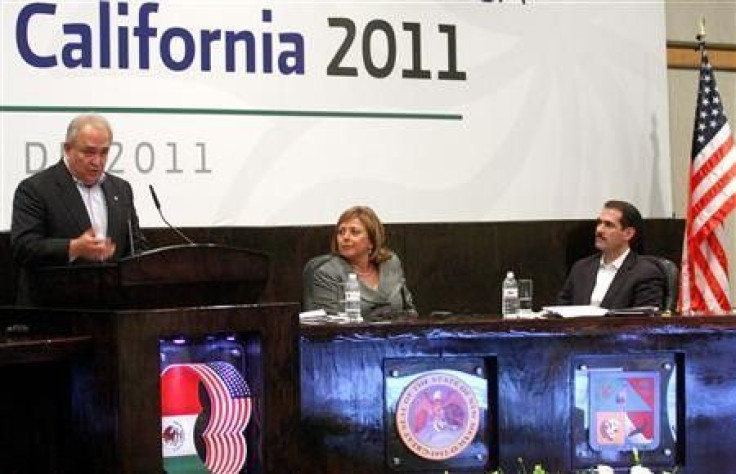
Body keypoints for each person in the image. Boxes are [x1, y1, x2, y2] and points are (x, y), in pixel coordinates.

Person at [11, 113, 147, 304]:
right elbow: (23, 247)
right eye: (89, 152)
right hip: (54, 312)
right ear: (67, 149)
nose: (97, 161)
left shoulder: (121, 189)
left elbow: (135, 245)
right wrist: (73, 248)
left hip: (112, 310)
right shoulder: (35, 189)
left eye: (104, 152)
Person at [303, 205, 416, 318]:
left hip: (396, 334)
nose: (345, 237)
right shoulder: (327, 273)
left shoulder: (390, 263)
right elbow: (328, 324)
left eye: (354, 232)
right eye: (341, 232)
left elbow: (409, 310)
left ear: (371, 241)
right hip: (351, 335)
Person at [557, 200, 664, 310]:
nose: (599, 230)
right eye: (599, 223)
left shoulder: (645, 272)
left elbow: (645, 321)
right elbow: (561, 309)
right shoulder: (581, 268)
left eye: (608, 225)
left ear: (628, 234)